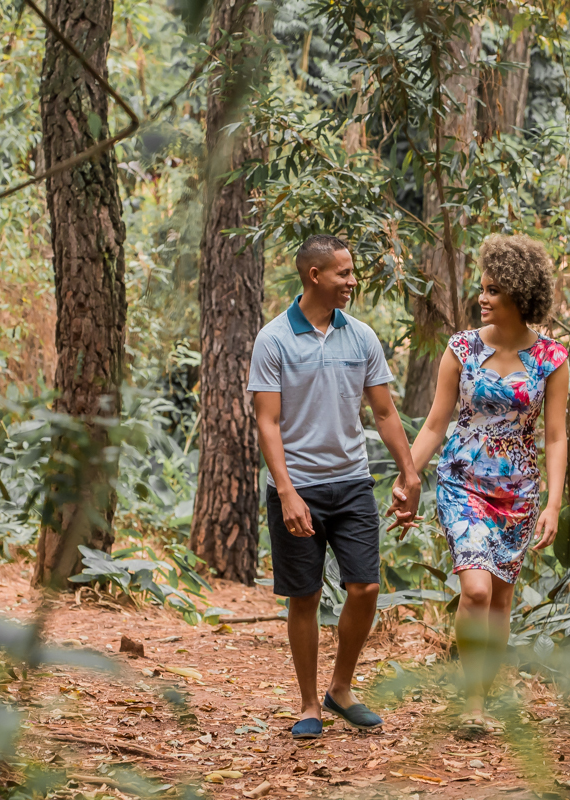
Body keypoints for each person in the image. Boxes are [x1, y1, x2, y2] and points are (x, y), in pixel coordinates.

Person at [249, 234, 421, 740]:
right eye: (343, 273)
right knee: (303, 597)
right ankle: (309, 704)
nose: (352, 281)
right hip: (297, 486)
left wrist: (409, 472)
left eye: (351, 272)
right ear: (314, 275)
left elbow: (384, 412)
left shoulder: (362, 337)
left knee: (365, 587)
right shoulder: (274, 339)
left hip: (351, 482)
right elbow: (267, 423)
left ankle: (340, 689)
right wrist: (286, 492)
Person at [400, 233, 569, 734]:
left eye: (493, 289)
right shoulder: (462, 349)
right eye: (482, 287)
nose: (483, 297)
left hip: (518, 494)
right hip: (461, 483)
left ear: (519, 294)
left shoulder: (551, 358)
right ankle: (471, 704)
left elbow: (556, 437)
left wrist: (553, 504)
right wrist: (409, 476)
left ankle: (484, 692)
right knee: (475, 590)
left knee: (499, 601)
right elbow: (435, 423)